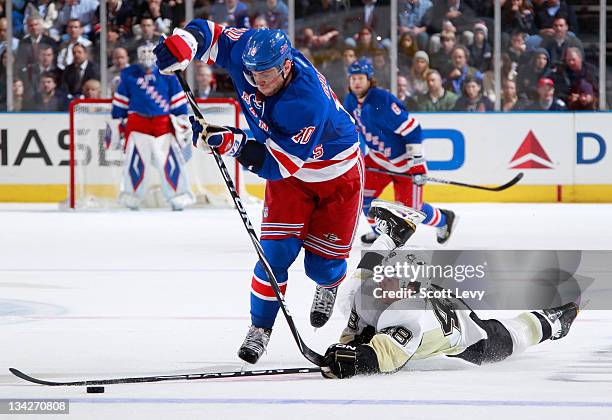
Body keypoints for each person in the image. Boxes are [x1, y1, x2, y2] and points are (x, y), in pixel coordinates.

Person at [154, 23, 363, 364]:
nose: (259, 82)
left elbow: (277, 166)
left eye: (266, 75)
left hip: (335, 177)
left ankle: (328, 284)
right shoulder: (249, 51)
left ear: (286, 66)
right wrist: (184, 45)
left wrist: (231, 141)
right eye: (253, 75)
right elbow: (211, 32)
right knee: (273, 258)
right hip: (290, 181)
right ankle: (260, 328)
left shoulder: (304, 100)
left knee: (322, 268)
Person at [320, 200, 580, 379]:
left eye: (400, 281)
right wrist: (349, 346)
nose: (388, 282)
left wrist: (357, 359)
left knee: (508, 337)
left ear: (411, 291)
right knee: (353, 288)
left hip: (464, 329)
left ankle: (551, 323)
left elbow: (387, 357)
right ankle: (396, 232)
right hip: (432, 299)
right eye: (389, 274)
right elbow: (358, 315)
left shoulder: (408, 319)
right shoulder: (367, 285)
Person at [343, 59, 456, 246]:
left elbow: (413, 130)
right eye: (353, 78)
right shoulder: (351, 101)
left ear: (370, 79)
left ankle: (444, 219)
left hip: (404, 164)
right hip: (378, 159)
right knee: (362, 196)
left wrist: (417, 165)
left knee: (413, 211)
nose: (356, 82)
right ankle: (379, 232)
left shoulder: (382, 100)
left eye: (361, 78)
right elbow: (348, 129)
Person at [111, 43, 195, 212]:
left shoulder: (168, 72)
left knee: (170, 163)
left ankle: (178, 197)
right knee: (135, 164)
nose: (147, 56)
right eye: (143, 52)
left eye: (150, 52)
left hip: (163, 126)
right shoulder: (129, 73)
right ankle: (131, 197)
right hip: (137, 126)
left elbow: (178, 102)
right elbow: (121, 102)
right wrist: (118, 120)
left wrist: (182, 120)